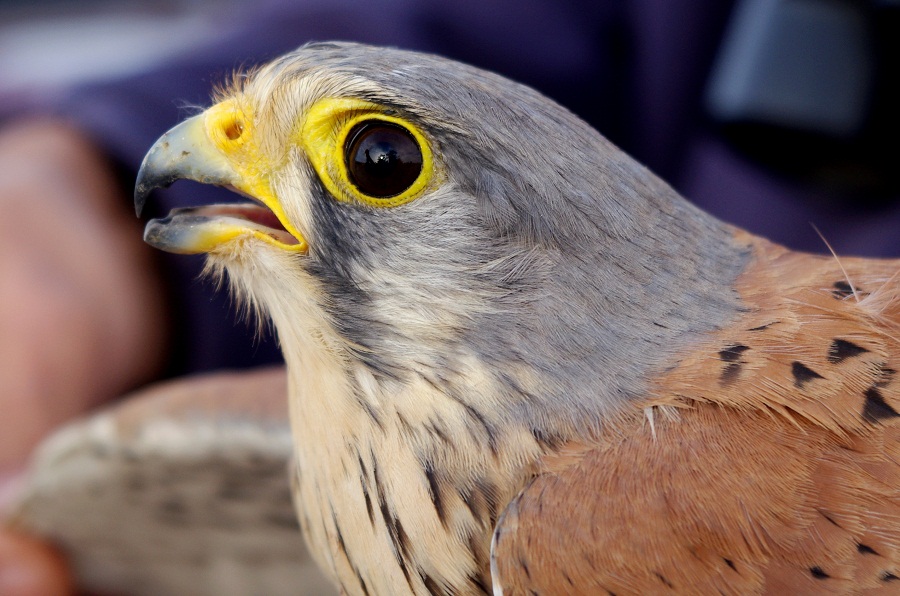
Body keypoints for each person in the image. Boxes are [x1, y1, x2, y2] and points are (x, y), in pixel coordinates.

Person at [0, 0, 895, 592]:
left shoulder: (627, 509)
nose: (202, 143)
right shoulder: (372, 457)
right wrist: (71, 193)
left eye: (374, 163)